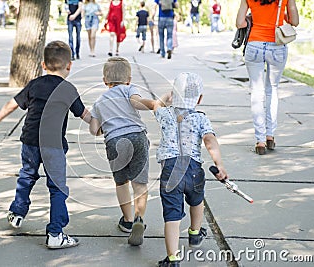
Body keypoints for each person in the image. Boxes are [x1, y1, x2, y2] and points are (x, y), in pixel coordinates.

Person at [0, 41, 92, 249]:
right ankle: (55, 233)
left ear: (43, 64)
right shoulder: (68, 89)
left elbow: (12, 104)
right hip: (53, 145)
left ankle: (17, 212)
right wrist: (99, 126)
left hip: (30, 142)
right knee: (58, 187)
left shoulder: (35, 85)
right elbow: (84, 113)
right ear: (69, 66)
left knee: (27, 175)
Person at [89, 57, 166, 246]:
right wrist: (155, 103)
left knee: (121, 182)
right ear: (129, 79)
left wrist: (102, 128)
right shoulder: (130, 89)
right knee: (139, 183)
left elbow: (94, 129)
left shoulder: (99, 102)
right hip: (137, 138)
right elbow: (137, 103)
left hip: (115, 141)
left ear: (105, 80)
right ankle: (140, 218)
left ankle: (128, 221)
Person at [153, 72, 228, 267]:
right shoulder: (201, 118)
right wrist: (219, 164)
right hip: (193, 169)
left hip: (171, 171)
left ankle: (173, 258)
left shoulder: (166, 113)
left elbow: (155, 105)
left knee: (172, 215)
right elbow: (210, 141)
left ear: (173, 95)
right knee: (197, 200)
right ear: (200, 98)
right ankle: (195, 233)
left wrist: (165, 96)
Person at [236, 0, 299, 155]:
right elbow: (295, 22)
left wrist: (254, 18)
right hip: (277, 45)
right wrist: (281, 14)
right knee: (272, 90)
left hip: (254, 45)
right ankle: (270, 135)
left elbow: (240, 23)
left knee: (257, 93)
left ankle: (260, 140)